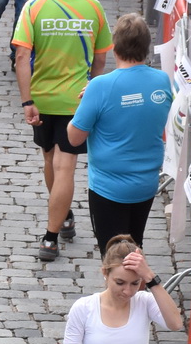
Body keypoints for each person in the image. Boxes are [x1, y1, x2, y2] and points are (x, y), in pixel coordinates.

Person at [14, 0, 112, 262]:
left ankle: (54, 230)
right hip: (77, 101)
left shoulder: (33, 7)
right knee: (63, 165)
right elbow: (101, 59)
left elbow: (21, 57)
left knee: (51, 160)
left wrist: (27, 100)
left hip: (42, 99)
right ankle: (56, 228)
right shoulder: (94, 7)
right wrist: (91, 87)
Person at [66, 13, 173, 253]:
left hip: (109, 188)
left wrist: (86, 102)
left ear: (114, 47)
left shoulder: (100, 86)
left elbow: (74, 138)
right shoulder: (161, 80)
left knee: (114, 258)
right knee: (135, 248)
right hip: (146, 183)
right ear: (146, 47)